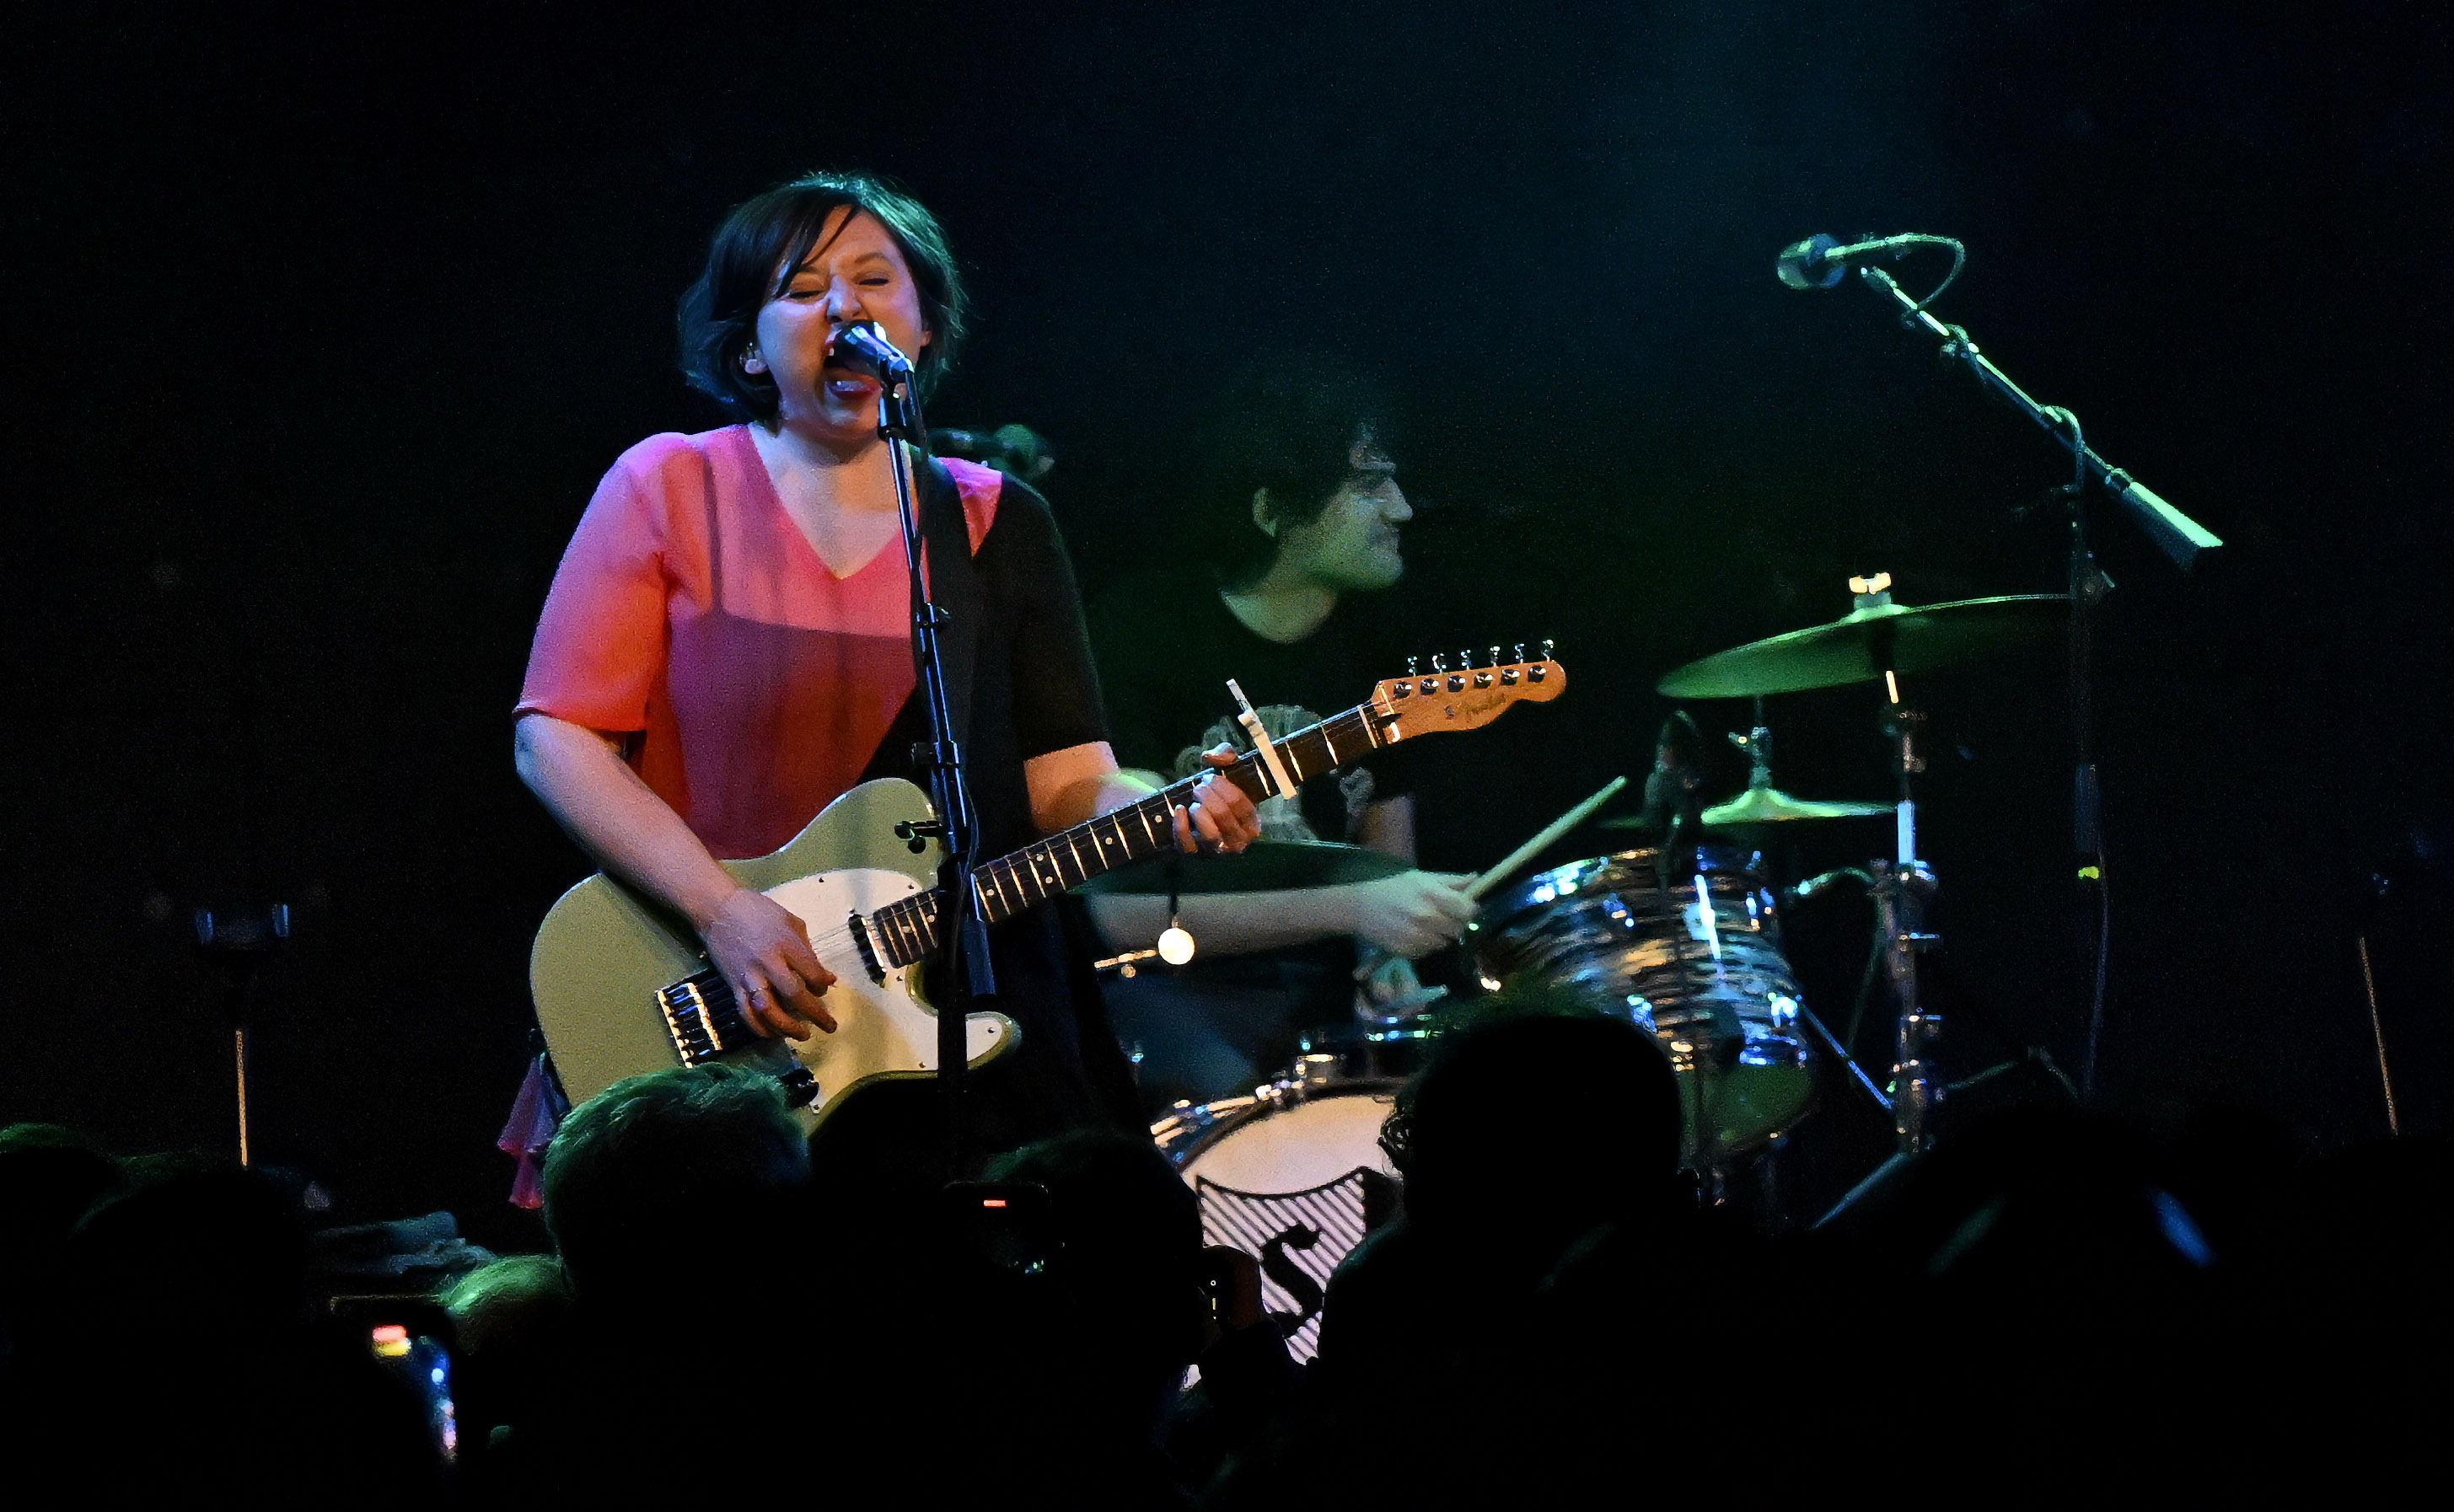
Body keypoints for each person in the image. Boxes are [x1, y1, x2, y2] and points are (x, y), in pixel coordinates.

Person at [513, 171, 1258, 1150]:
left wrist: (1163, 814)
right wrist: (724, 911)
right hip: (714, 994)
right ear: (747, 341)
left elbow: (1067, 781)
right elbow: (556, 738)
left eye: (874, 279)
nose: (844, 306)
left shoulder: (995, 520)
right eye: (802, 286)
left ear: (924, 329)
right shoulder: (667, 484)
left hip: (947, 1015)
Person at [1085, 365, 1477, 1111]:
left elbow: (1383, 866)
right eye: (1368, 486)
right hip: (1170, 1003)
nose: (1401, 509)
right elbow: (1122, 909)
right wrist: (1356, 910)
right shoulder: (1146, 633)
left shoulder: (1383, 654)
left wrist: (1385, 954)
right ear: (1270, 511)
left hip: (1326, 1015)